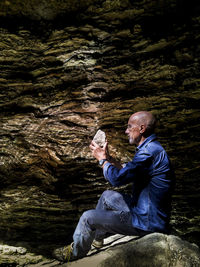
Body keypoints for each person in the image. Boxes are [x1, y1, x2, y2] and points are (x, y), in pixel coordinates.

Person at [53, 111, 174, 262]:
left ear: (141, 128)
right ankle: (97, 240)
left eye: (130, 127)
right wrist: (109, 158)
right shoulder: (152, 148)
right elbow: (127, 169)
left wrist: (102, 161)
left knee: (87, 218)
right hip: (146, 213)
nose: (126, 131)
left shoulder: (148, 153)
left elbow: (117, 179)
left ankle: (76, 253)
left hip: (146, 222)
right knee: (107, 197)